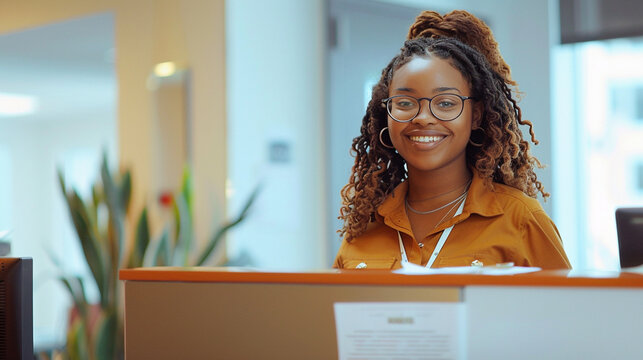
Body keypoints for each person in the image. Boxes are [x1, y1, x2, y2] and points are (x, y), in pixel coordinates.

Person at [333, 10, 571, 270]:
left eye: (446, 103)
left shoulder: (522, 220)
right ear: (385, 114)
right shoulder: (365, 226)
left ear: (476, 116)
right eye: (404, 103)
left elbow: (568, 310)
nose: (423, 118)